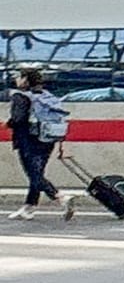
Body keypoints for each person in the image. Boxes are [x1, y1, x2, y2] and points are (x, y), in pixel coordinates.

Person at [7, 67, 73, 222]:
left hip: (28, 139)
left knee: (33, 174)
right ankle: (29, 208)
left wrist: (8, 124)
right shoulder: (47, 96)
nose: (16, 80)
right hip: (48, 138)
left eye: (19, 77)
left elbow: (18, 119)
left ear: (25, 80)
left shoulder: (20, 96)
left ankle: (59, 197)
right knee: (37, 173)